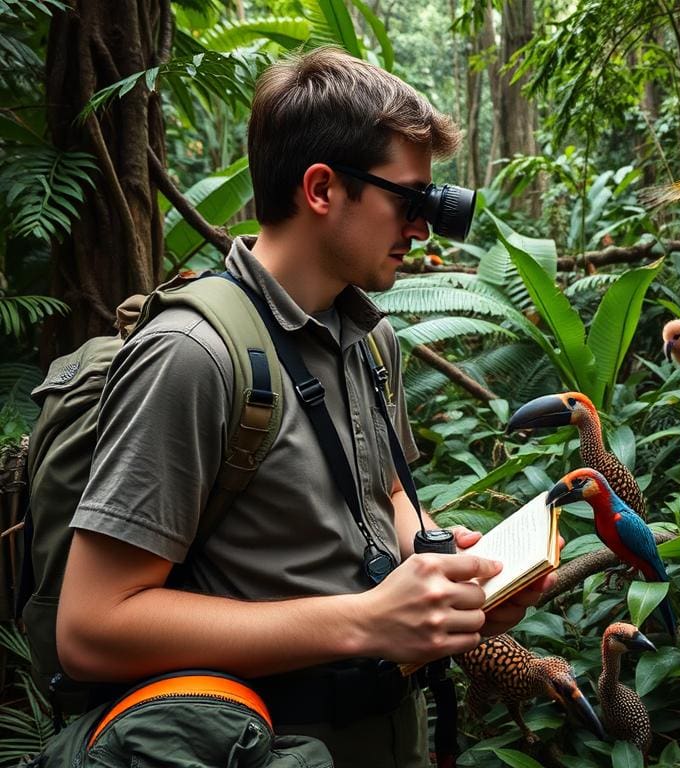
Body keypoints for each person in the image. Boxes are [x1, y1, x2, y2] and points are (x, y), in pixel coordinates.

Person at [56, 47, 554, 767]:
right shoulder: (195, 355)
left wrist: (440, 566)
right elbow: (92, 627)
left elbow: (383, 491)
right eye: (409, 201)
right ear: (322, 189)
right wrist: (366, 621)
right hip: (255, 746)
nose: (422, 226)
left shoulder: (370, 337)